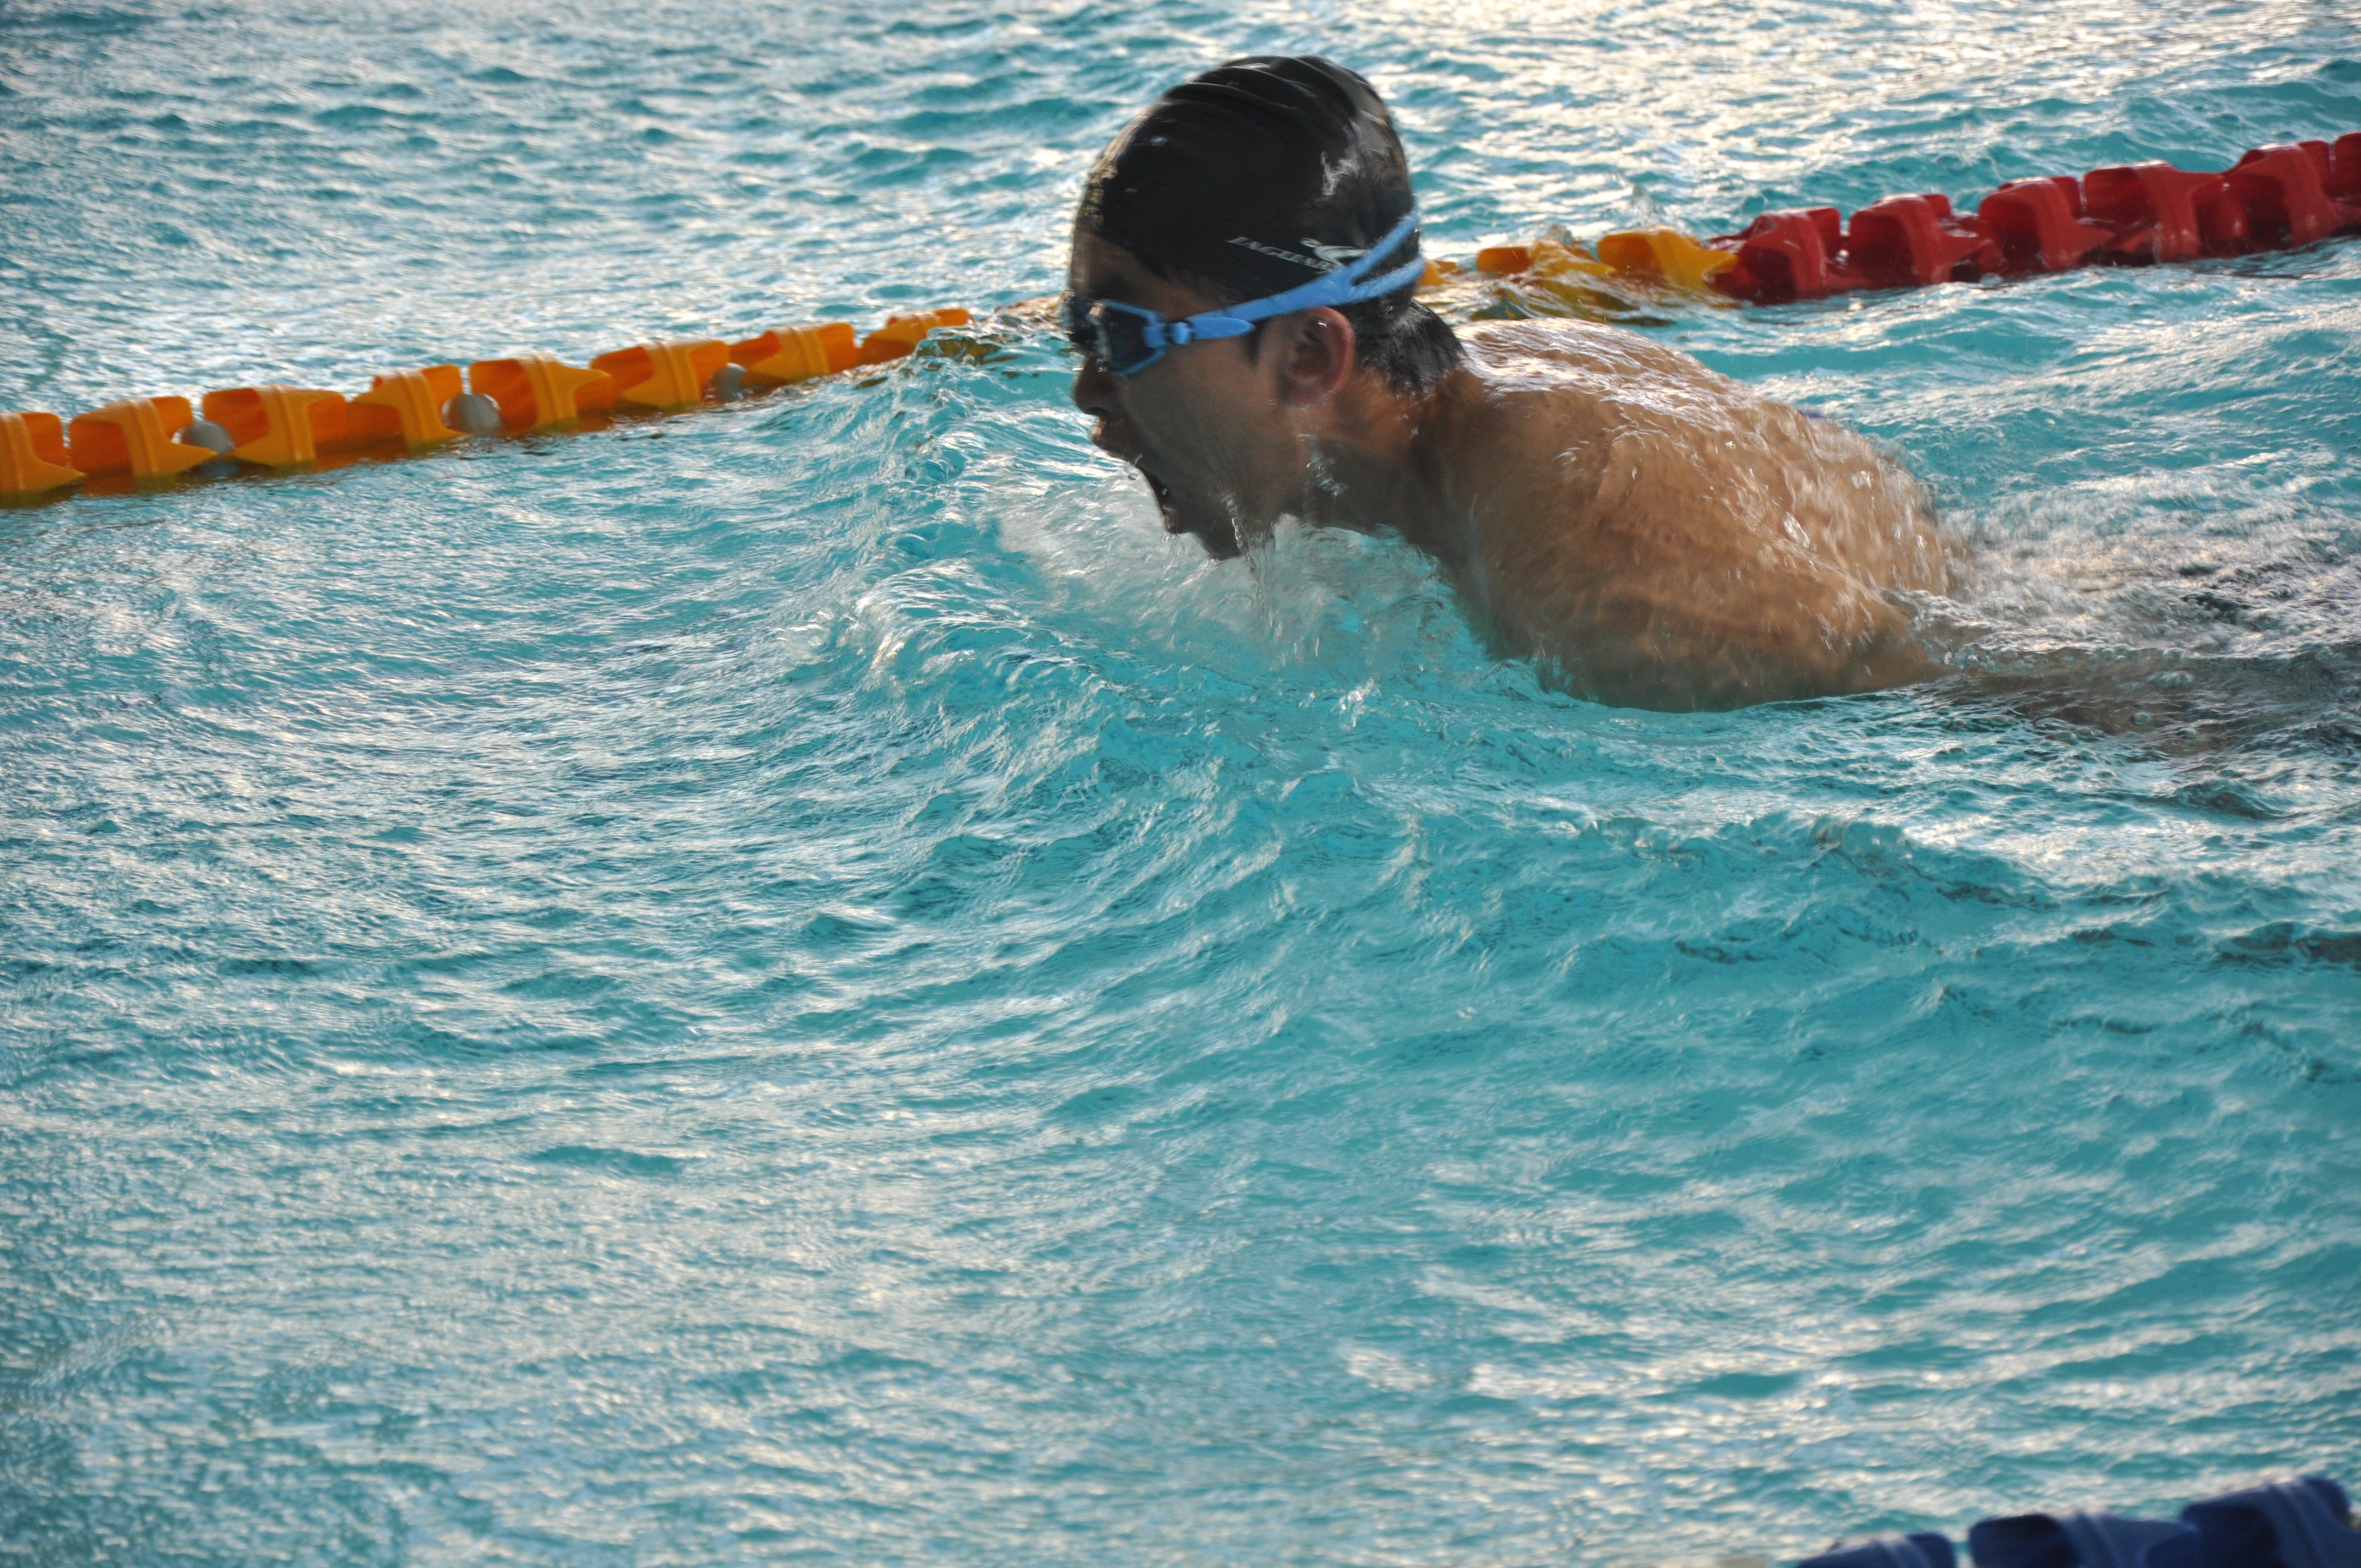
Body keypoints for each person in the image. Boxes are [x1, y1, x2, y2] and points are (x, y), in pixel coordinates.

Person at [1064, 55, 1951, 710]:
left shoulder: (1583, 559)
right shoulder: (1462, 399)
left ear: (1309, 356)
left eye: (1123, 337)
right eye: (1078, 331)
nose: (1087, 392)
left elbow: (1955, 697)